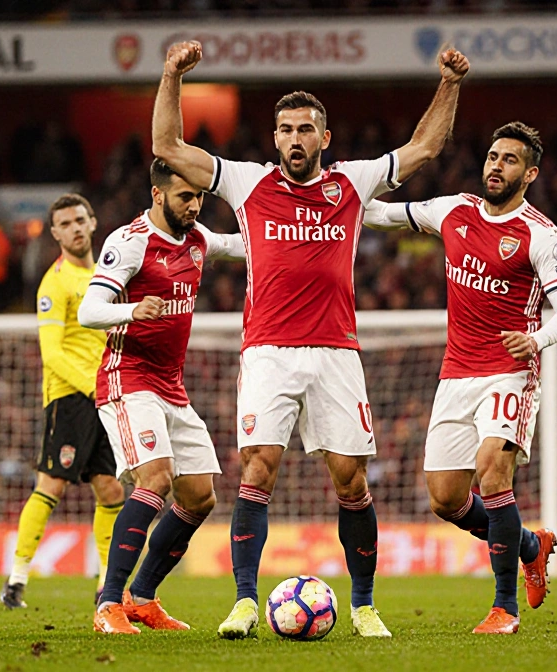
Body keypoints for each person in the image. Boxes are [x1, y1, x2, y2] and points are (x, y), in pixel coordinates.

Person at [151, 39, 470, 639]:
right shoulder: (247, 184)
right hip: (268, 350)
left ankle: (365, 605)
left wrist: (449, 83)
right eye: (285, 129)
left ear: (324, 137)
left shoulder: (352, 182)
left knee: (350, 478)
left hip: (336, 351)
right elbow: (167, 148)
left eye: (305, 129)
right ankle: (245, 601)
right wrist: (172, 75)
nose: (294, 139)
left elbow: (425, 148)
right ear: (274, 138)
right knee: (258, 466)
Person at [363, 122, 557, 635]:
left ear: (529, 174)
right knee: (445, 498)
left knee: (492, 472)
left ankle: (505, 608)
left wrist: (538, 340)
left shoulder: (541, 235)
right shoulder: (452, 210)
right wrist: (345, 190)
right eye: (491, 156)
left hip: (510, 371)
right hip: (456, 373)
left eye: (508, 160)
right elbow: (380, 215)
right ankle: (530, 545)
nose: (495, 166)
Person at [78, 159, 245, 635]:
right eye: (184, 197)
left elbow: (237, 245)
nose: (193, 206)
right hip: (126, 378)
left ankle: (142, 599)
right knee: (155, 478)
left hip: (171, 384)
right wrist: (132, 309)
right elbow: (90, 311)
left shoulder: (196, 238)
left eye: (198, 198)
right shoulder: (129, 242)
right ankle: (107, 604)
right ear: (157, 195)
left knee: (199, 496)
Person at [0, 194, 127, 610]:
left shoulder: (106, 278)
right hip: (70, 397)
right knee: (50, 485)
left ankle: (106, 589)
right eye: (65, 224)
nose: (74, 228)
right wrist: (93, 387)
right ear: (54, 234)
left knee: (110, 490)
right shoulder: (54, 284)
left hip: (104, 394)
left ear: (92, 223)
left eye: (79, 220)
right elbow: (51, 353)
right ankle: (16, 580)